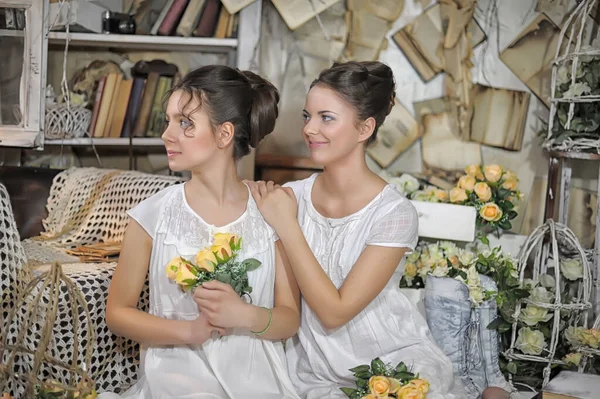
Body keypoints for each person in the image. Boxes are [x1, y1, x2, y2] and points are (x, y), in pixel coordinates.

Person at [247, 61, 467, 399]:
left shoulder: (394, 214)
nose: (310, 129)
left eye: (327, 118)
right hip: (311, 365)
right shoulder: (291, 197)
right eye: (307, 116)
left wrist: (288, 226)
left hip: (389, 360)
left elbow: (335, 313)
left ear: (364, 129)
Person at [102, 65, 301, 399]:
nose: (167, 134)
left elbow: (289, 319)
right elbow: (118, 313)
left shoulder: (270, 211)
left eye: (185, 123)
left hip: (258, 384)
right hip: (175, 382)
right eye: (168, 121)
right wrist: (190, 331)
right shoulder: (152, 215)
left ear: (224, 135)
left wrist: (244, 314)